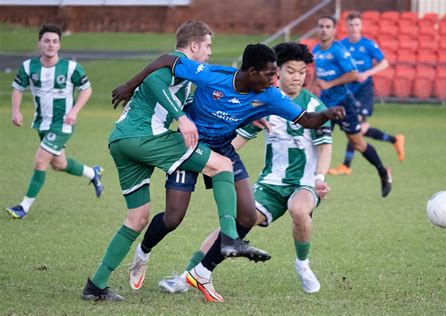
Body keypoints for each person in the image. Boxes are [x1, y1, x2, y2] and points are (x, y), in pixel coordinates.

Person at [112, 42, 345, 302]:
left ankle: (201, 272)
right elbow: (167, 59)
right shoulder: (212, 75)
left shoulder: (269, 95)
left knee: (246, 217)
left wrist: (327, 113)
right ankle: (143, 253)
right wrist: (131, 85)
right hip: (188, 147)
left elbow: (307, 120)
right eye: (271, 74)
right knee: (173, 218)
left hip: (222, 150)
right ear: (252, 71)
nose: (275, 80)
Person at [82, 20, 270, 302]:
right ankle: (230, 237)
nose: (209, 52)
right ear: (193, 46)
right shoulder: (177, 63)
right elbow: (154, 81)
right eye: (207, 46)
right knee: (222, 165)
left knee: (137, 218)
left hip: (121, 141)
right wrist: (181, 118)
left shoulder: (187, 75)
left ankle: (95, 286)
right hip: (145, 137)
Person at [6, 24, 103, 220]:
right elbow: (17, 88)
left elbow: (87, 89)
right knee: (59, 164)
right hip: (42, 123)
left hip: (63, 123)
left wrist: (74, 111)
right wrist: (15, 111)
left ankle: (23, 207)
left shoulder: (71, 68)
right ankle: (92, 174)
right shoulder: (28, 67)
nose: (51, 45)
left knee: (41, 161)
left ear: (59, 45)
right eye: (47, 41)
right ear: (39, 44)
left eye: (55, 41)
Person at [312, 16, 392, 197]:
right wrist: (308, 93)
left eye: (328, 27)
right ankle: (314, 185)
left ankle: (382, 171)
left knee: (358, 143)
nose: (324, 29)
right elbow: (316, 75)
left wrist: (329, 84)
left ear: (334, 30)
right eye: (321, 26)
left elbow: (354, 74)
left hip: (344, 104)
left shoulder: (339, 50)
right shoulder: (316, 50)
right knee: (317, 144)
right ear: (318, 29)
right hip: (325, 106)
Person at [329, 11, 405, 176]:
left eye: (356, 24)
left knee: (357, 127)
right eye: (350, 25)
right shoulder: (341, 45)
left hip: (364, 91)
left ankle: (346, 165)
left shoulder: (369, 45)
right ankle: (394, 140)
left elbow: (384, 63)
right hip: (348, 92)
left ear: (361, 26)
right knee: (359, 129)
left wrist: (367, 73)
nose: (354, 28)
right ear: (346, 27)